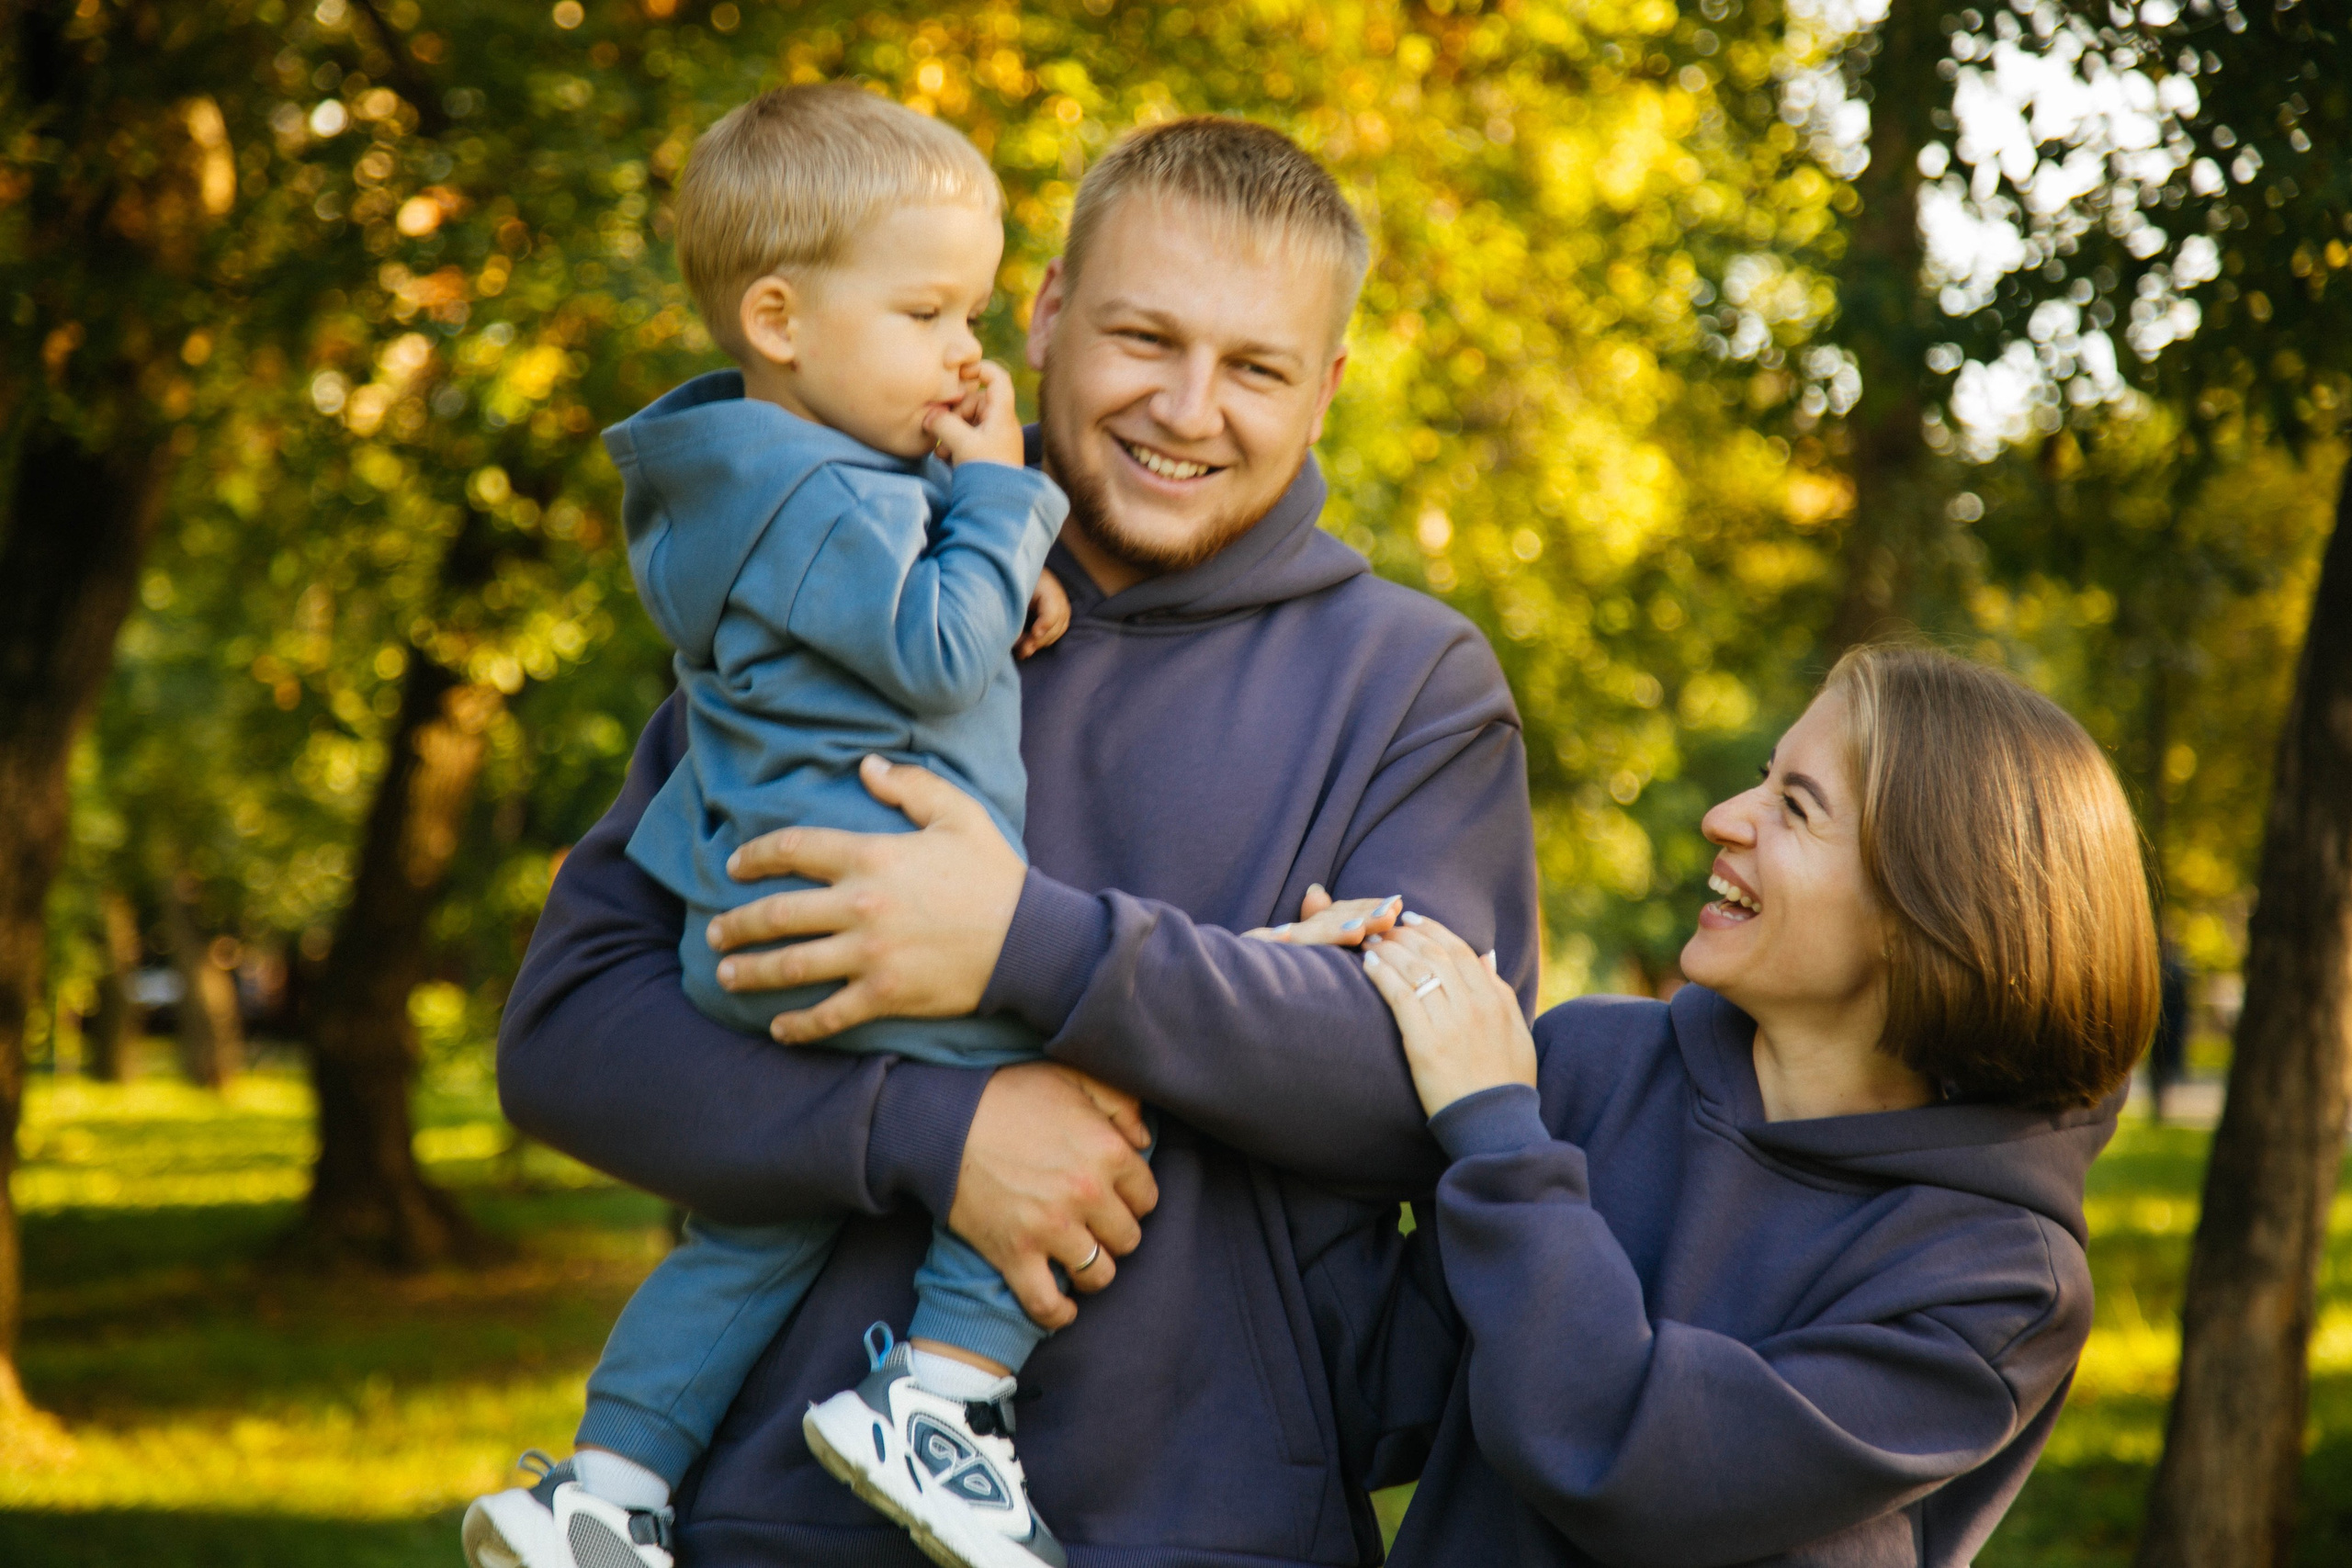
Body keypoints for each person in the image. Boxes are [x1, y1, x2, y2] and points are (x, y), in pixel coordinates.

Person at [496, 114, 1542, 1568]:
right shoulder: (840, 581)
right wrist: (928, 1130)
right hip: (779, 1522)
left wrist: (1024, 943)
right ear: (1042, 314)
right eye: (1142, 338)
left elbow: (1412, 1081)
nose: (1188, 407)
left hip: (1210, 1523)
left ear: (1329, 388)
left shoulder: (1407, 681)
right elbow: (569, 1033)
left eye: (1255, 367)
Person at [466, 86, 1084, 1568]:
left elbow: (895, 632)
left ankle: (603, 1494)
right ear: (780, 318)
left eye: (976, 311)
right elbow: (937, 656)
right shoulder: (820, 501)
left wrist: (978, 542)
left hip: (757, 921)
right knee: (1067, 1098)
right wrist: (1005, 499)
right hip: (861, 916)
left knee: (750, 1228)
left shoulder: (760, 485)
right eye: (929, 311)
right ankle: (936, 1403)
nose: (967, 350)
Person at [1306, 646, 2154, 1566]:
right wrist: (1302, 1023)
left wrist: (1497, 1132)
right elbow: (1373, 1386)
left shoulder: (1999, 1284)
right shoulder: (1590, 1066)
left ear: (1928, 920)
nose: (1723, 819)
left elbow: (1632, 1468)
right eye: (1763, 781)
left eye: (1795, 807)